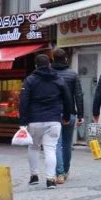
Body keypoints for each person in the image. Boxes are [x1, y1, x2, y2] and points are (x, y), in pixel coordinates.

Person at [19, 54, 72, 189]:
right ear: (49, 64)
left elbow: (23, 101)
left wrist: (23, 121)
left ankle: (34, 176)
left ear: (36, 66)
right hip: (54, 119)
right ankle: (50, 179)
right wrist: (66, 116)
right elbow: (67, 99)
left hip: (34, 120)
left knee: (33, 147)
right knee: (50, 149)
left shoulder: (30, 80)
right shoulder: (58, 79)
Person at [51, 49, 84, 184]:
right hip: (70, 113)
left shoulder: (50, 74)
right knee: (67, 143)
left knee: (57, 143)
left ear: (53, 58)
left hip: (53, 113)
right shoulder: (72, 74)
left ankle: (59, 173)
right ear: (66, 59)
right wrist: (80, 114)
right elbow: (78, 95)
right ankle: (65, 170)